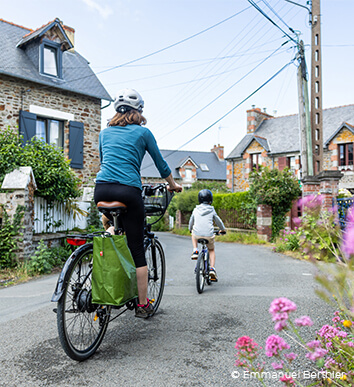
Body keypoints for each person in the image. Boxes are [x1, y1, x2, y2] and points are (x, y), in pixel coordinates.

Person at [94, 88, 182, 318]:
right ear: (138, 111)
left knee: (110, 221)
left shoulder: (105, 133)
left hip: (101, 188)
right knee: (136, 250)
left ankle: (110, 234)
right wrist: (172, 184)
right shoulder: (143, 133)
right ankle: (142, 305)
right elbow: (161, 164)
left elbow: (105, 162)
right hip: (128, 191)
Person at [188, 189, 226, 282]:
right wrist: (222, 229)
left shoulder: (196, 209)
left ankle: (195, 250)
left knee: (193, 233)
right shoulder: (211, 210)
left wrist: (190, 229)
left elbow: (191, 221)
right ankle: (212, 269)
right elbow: (218, 221)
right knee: (211, 250)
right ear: (210, 200)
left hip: (197, 234)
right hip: (209, 234)